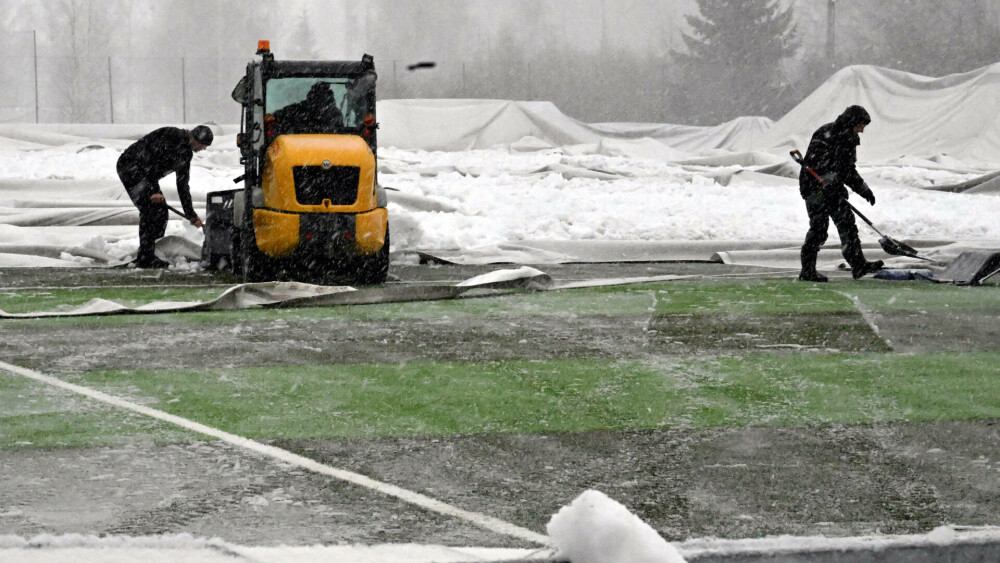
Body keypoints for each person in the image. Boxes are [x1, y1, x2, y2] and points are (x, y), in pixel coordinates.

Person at [797, 105, 883, 282]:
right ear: (851, 122)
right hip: (814, 188)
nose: (862, 130)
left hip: (833, 188)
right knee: (819, 229)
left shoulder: (850, 139)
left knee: (847, 224)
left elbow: (848, 170)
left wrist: (864, 190)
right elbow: (813, 164)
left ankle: (858, 265)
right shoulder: (825, 134)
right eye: (861, 125)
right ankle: (807, 271)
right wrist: (825, 180)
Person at [117, 125, 212, 268]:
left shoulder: (186, 154)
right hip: (130, 167)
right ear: (196, 139)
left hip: (147, 177)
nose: (204, 148)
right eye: (204, 145)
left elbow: (183, 185)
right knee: (150, 209)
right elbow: (147, 160)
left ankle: (153, 250)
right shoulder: (171, 136)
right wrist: (152, 191)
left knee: (161, 212)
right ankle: (145, 257)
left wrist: (191, 214)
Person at [273, 82, 344, 135]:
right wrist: (274, 117)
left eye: (318, 97)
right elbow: (280, 115)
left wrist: (299, 128)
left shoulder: (334, 115)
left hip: (323, 150)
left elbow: (328, 131)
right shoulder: (300, 109)